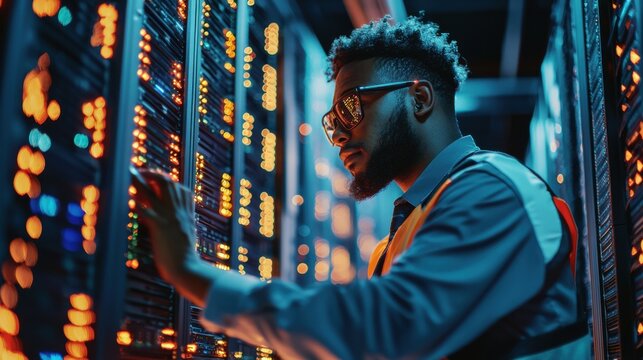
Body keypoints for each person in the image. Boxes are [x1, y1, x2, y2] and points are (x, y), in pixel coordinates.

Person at [131, 15, 590, 359]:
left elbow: (380, 331)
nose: (341, 135)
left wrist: (190, 272)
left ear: (419, 98)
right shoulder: (404, 233)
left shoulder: (491, 192)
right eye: (333, 123)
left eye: (352, 108)